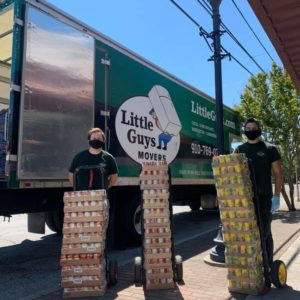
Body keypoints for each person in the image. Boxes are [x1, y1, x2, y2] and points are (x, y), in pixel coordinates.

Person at [236, 118, 283, 271]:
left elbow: (278, 174)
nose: (250, 130)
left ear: (259, 129)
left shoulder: (270, 149)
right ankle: (253, 264)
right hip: (246, 199)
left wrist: (276, 196)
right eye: (247, 128)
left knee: (265, 232)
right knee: (248, 232)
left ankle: (268, 265)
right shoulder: (239, 150)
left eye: (253, 127)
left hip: (264, 198)